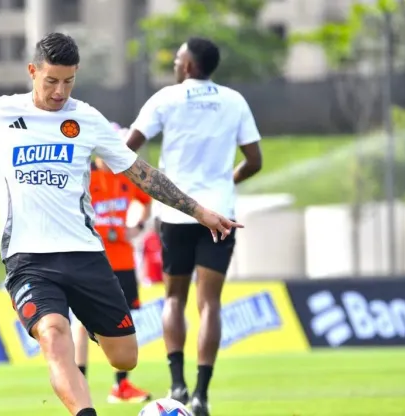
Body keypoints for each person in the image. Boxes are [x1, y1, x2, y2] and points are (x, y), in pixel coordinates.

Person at [0, 33, 242, 416]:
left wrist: (199, 211)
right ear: (32, 71)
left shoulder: (86, 118)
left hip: (85, 255)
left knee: (126, 358)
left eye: (68, 81)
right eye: (51, 80)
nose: (59, 91)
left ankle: (91, 324)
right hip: (28, 259)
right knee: (54, 338)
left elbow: (140, 172)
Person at [125, 37, 263, 416]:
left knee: (173, 299)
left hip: (175, 213)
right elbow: (255, 160)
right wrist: (226, 182)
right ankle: (202, 394)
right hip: (219, 213)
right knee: (210, 304)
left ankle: (177, 385)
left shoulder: (165, 99)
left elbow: (127, 148)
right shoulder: (234, 100)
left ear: (187, 66)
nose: (174, 63)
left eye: (177, 58)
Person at [72, 122, 153, 404]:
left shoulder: (125, 177)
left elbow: (146, 199)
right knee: (83, 323)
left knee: (124, 321)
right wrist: (116, 232)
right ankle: (78, 382)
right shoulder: (85, 176)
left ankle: (122, 386)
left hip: (124, 261)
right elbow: (79, 217)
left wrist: (138, 225)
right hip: (93, 260)